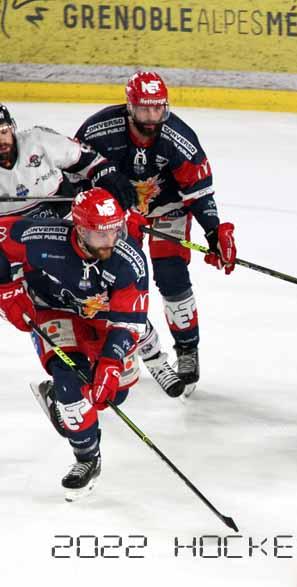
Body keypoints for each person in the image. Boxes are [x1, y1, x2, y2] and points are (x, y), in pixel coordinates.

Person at [75, 71, 238, 398]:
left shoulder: (179, 138)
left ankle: (187, 349)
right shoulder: (98, 131)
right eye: (145, 109)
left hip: (168, 210)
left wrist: (213, 230)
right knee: (116, 281)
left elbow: (199, 191)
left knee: (172, 275)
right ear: (130, 107)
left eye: (158, 108)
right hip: (118, 217)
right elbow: (76, 179)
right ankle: (129, 349)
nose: (152, 117)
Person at [0, 188, 148, 500]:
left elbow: (128, 322)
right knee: (71, 380)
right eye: (101, 234)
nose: (110, 241)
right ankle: (87, 457)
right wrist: (6, 288)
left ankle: (59, 398)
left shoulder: (128, 260)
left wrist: (110, 363)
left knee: (111, 395)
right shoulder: (43, 238)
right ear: (80, 230)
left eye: (115, 230)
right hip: (54, 309)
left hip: (104, 319)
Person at [0, 103, 136, 220]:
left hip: (64, 222)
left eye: (3, 130)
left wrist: (106, 175)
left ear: (12, 127)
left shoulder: (38, 140)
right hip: (8, 232)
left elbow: (87, 159)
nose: (1, 140)